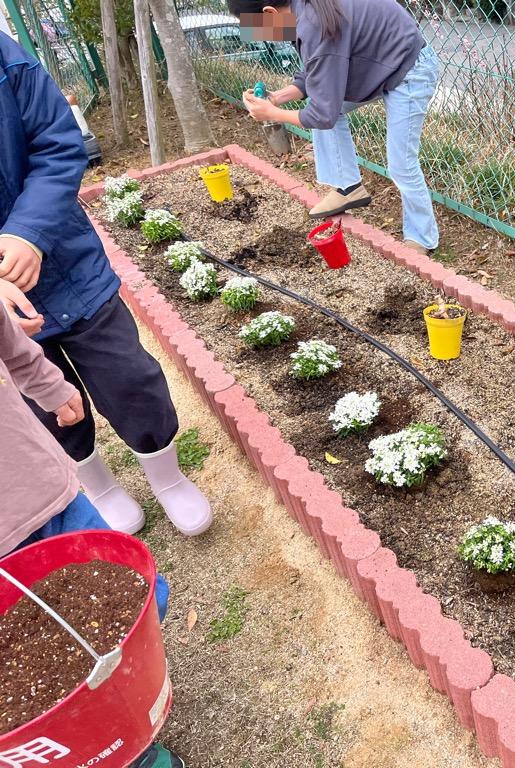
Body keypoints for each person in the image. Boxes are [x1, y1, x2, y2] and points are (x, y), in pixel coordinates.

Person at [0, 32, 211, 537]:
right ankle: (99, 486)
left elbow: (57, 143)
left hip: (69, 265)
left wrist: (27, 232)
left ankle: (167, 475)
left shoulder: (7, 59)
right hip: (7, 308)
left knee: (130, 378)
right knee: (46, 404)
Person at [0, 283, 183, 768]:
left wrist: (52, 388)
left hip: (46, 497)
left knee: (136, 606)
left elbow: (14, 348)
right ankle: (108, 751)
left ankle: (131, 712)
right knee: (36, 694)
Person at [231, 0, 440, 255]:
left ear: (270, 13)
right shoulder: (303, 10)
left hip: (409, 67)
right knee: (326, 106)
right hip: (379, 63)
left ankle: (422, 238)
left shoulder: (314, 21)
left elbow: (322, 114)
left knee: (401, 162)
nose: (259, 36)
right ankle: (347, 187)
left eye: (256, 28)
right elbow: (317, 71)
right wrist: (278, 97)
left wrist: (273, 113)